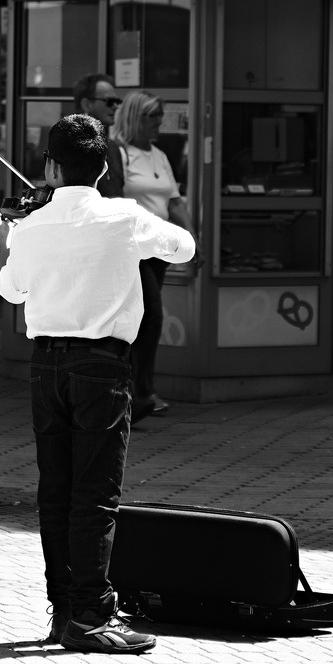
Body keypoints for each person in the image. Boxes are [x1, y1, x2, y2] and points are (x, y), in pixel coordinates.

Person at [0, 114, 195, 653]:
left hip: (46, 368)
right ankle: (90, 612)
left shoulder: (30, 226)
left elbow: (11, 292)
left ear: (51, 167)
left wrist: (9, 235)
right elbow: (185, 248)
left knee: (55, 493)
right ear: (105, 167)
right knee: (95, 495)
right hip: (102, 368)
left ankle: (65, 610)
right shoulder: (124, 217)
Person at [113, 91, 195, 425]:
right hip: (134, 249)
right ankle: (140, 393)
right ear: (135, 117)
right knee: (151, 317)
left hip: (158, 250)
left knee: (143, 319)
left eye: (159, 117)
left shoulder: (159, 155)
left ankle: (132, 393)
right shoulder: (119, 153)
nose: (159, 124)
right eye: (152, 117)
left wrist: (192, 239)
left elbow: (174, 201)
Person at [72, 73, 124, 198]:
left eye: (117, 101)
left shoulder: (113, 147)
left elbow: (118, 193)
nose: (115, 106)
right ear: (87, 104)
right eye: (109, 101)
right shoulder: (73, 145)